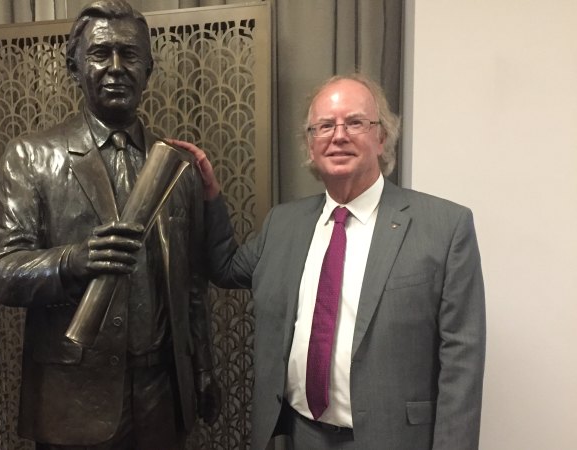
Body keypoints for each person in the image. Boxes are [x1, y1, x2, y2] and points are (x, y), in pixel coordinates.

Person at [170, 73, 486, 450]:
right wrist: (210, 196)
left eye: (355, 122)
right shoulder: (283, 224)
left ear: (382, 136)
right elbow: (225, 268)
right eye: (324, 126)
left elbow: (462, 361)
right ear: (310, 142)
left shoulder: (444, 227)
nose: (338, 135)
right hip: (298, 435)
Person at [0, 1, 220, 449]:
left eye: (129, 54)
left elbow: (192, 284)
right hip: (73, 396)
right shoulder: (32, 156)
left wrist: (203, 367)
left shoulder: (178, 168)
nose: (116, 67)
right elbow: (2, 272)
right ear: (74, 66)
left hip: (162, 395)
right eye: (100, 53)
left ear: (149, 69)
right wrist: (72, 261)